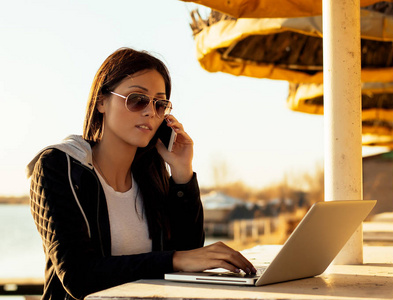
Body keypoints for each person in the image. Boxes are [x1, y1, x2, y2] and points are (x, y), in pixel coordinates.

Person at [26, 47, 256, 300]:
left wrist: (181, 173)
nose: (150, 112)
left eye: (160, 104)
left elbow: (189, 255)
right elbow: (79, 277)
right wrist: (175, 260)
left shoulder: (150, 174)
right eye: (137, 99)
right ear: (102, 101)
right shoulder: (60, 166)